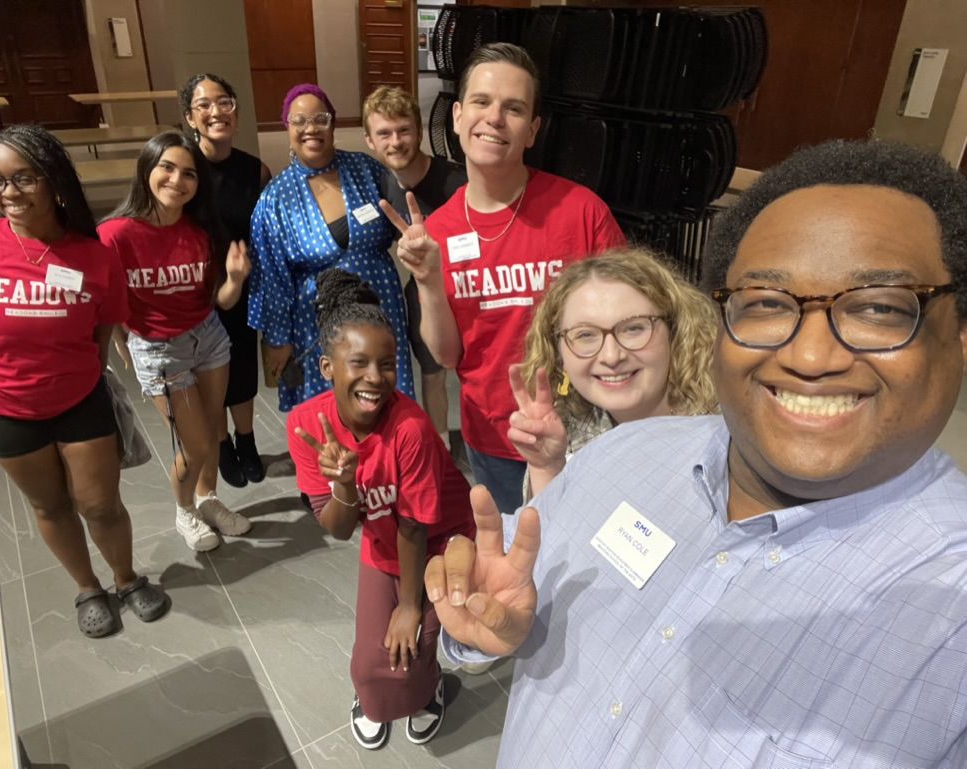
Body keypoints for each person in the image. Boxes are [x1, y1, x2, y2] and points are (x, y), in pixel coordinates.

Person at [425, 139, 967, 768]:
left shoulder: (946, 616)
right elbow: (510, 607)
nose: (812, 356)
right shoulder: (618, 456)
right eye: (767, 303)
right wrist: (489, 629)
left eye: (878, 308)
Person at [0, 124, 167, 637]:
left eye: (23, 179)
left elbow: (102, 329)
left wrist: (67, 372)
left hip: (78, 400)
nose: (8, 193)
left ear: (54, 182)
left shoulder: (93, 256)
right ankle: (88, 587)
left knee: (102, 504)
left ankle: (127, 578)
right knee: (49, 504)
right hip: (1, 407)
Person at [385, 43, 625, 516]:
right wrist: (430, 281)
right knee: (517, 563)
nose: (494, 118)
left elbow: (633, 323)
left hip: (582, 434)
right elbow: (448, 355)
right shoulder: (439, 232)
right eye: (481, 102)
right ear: (456, 116)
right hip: (495, 438)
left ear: (532, 130)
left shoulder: (581, 211)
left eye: (513, 108)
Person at [287, 268, 475, 750]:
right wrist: (344, 483)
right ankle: (378, 699)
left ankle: (429, 690)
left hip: (440, 537)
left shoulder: (409, 428)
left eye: (388, 363)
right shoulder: (307, 425)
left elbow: (415, 526)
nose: (376, 378)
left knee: (416, 641)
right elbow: (338, 528)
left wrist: (411, 605)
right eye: (359, 362)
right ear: (328, 367)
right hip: (381, 539)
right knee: (371, 661)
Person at [99, 131, 252, 552]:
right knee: (198, 443)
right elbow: (104, 295)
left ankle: (207, 499)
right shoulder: (115, 234)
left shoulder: (201, 230)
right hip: (160, 349)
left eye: (188, 173)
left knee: (213, 429)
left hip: (209, 337)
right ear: (147, 168)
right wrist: (120, 340)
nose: (176, 180)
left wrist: (236, 279)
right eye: (167, 167)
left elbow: (218, 300)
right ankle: (184, 510)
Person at [249, 83, 414, 415]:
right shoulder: (275, 198)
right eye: (299, 120)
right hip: (318, 321)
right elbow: (270, 276)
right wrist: (278, 339)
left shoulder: (366, 170)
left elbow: (408, 222)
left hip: (380, 308)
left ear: (333, 123)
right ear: (287, 127)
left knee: (387, 399)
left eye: (320, 119)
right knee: (333, 408)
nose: (311, 129)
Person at [510, 247, 718, 496]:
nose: (611, 356)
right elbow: (548, 532)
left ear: (676, 333)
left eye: (633, 328)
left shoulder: (722, 434)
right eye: (585, 335)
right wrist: (546, 468)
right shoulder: (566, 427)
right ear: (559, 354)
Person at [180, 73, 273, 489]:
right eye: (204, 105)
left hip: (242, 282)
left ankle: (246, 439)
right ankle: (221, 443)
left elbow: (267, 232)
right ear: (190, 118)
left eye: (224, 102)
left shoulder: (255, 170)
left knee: (241, 366)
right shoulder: (182, 168)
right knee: (209, 371)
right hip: (197, 290)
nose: (216, 111)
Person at [362, 85, 467, 447]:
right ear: (370, 141)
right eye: (384, 133)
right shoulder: (384, 187)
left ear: (419, 132)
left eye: (404, 130)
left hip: (469, 289)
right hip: (422, 293)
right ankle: (441, 449)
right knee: (432, 373)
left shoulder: (458, 183)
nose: (396, 141)